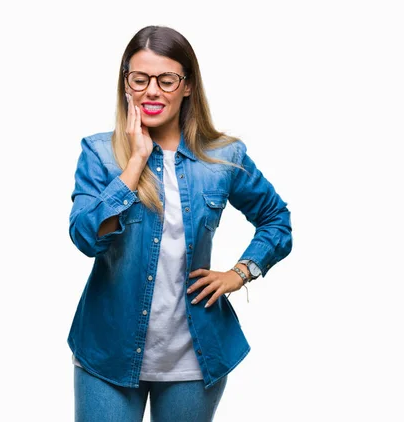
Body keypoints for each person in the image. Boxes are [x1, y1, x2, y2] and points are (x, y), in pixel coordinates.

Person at [67, 25, 292, 421]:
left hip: (194, 359)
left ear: (187, 86)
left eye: (166, 79)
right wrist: (135, 162)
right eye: (141, 79)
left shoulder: (223, 157)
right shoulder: (100, 153)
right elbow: (86, 237)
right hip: (108, 353)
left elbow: (277, 221)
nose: (152, 91)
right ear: (126, 84)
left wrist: (240, 273)